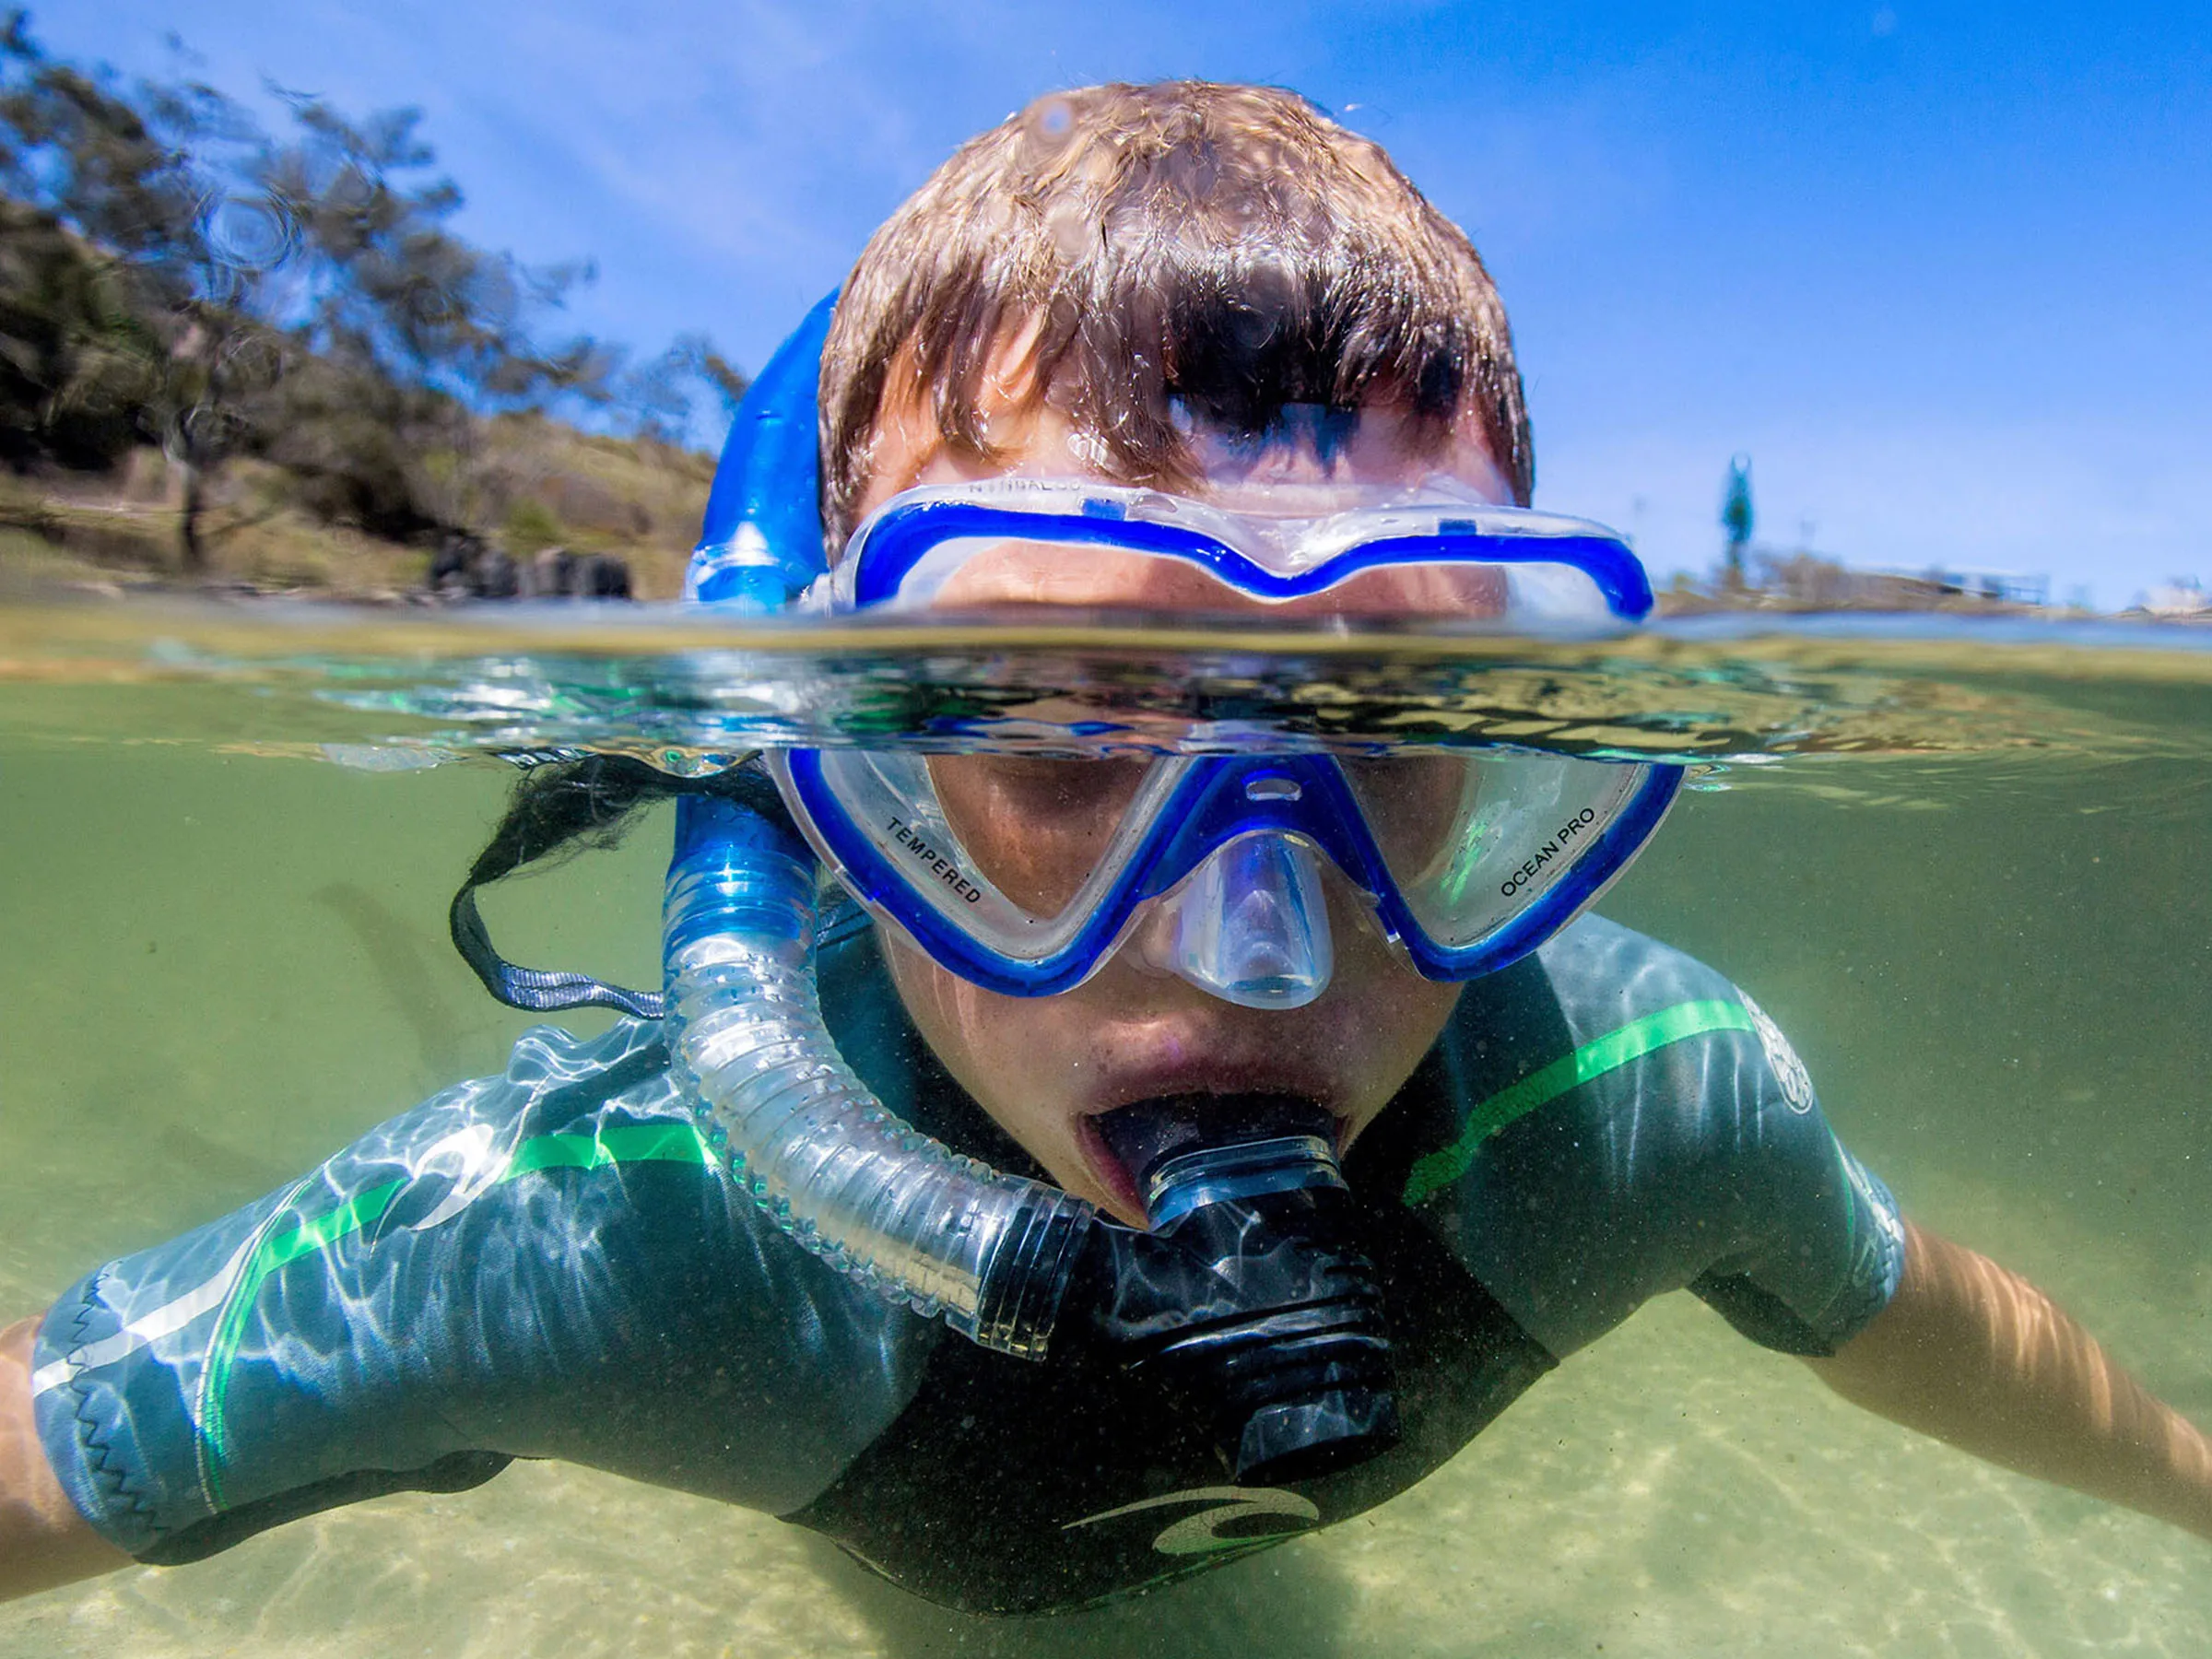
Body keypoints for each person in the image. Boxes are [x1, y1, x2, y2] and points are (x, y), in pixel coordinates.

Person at [4, 81, 2209, 1619]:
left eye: (1382, 711)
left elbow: (1905, 1307)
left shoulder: (1639, 1102)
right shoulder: (605, 1235)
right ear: (830, 766)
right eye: (1057, 716)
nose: (1258, 948)